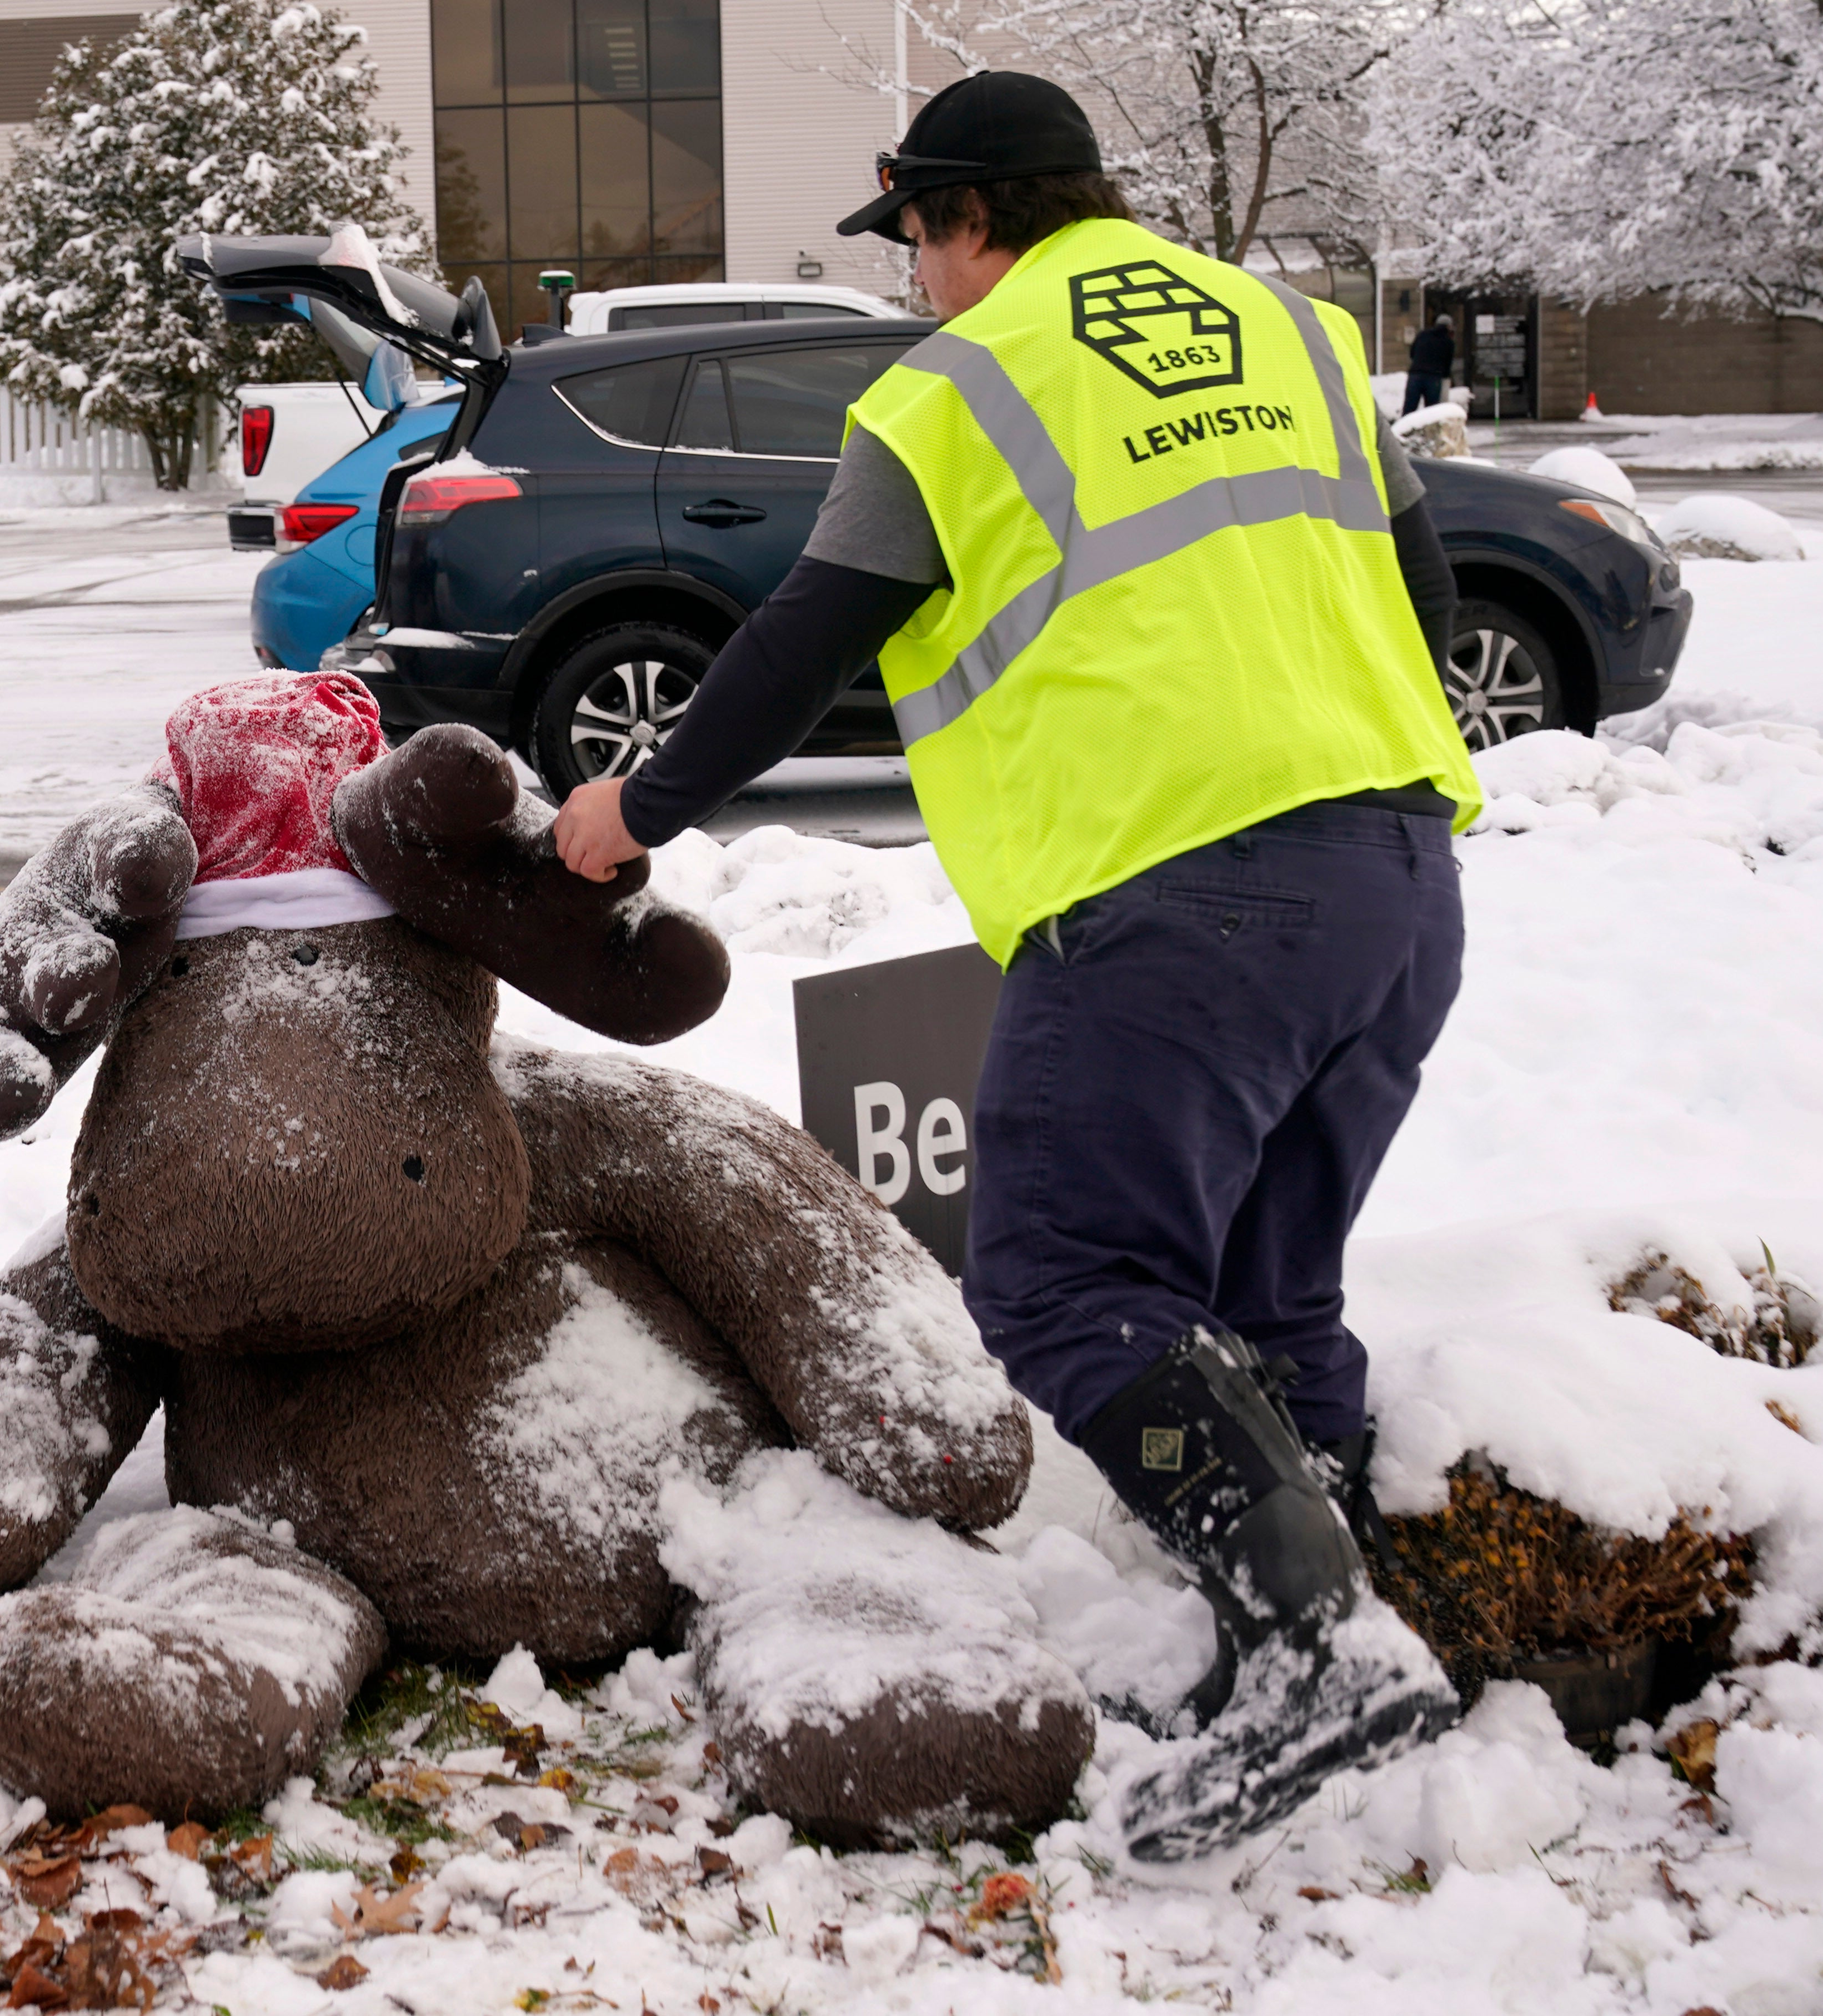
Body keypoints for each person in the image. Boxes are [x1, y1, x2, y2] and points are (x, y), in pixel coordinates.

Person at [552, 70, 1478, 1860]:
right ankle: (1299, 1666)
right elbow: (1418, 592)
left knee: (1058, 1278)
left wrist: (635, 808)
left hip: (1175, 896)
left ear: (965, 214)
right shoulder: (1283, 331)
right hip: (1392, 874)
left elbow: (798, 640)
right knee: (1269, 1301)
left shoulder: (952, 391)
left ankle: (1326, 1648)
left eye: (911, 235)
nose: (912, 276)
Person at [1404, 313, 1456, 414]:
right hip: (1434, 377)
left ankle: (1404, 428)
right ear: (1449, 327)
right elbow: (1448, 365)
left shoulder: (1422, 335)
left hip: (1415, 375)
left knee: (1409, 408)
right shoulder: (1448, 342)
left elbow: (1412, 353)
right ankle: (1429, 429)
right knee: (1431, 412)